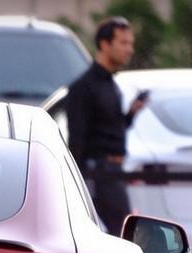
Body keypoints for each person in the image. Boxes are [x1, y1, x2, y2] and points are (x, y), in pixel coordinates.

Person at [65, 16, 149, 234]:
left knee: (122, 230)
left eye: (131, 44)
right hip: (97, 174)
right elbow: (77, 138)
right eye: (123, 43)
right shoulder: (84, 87)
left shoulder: (111, 84)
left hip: (113, 173)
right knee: (122, 232)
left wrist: (131, 114)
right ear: (104, 44)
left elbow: (111, 129)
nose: (129, 50)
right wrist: (75, 182)